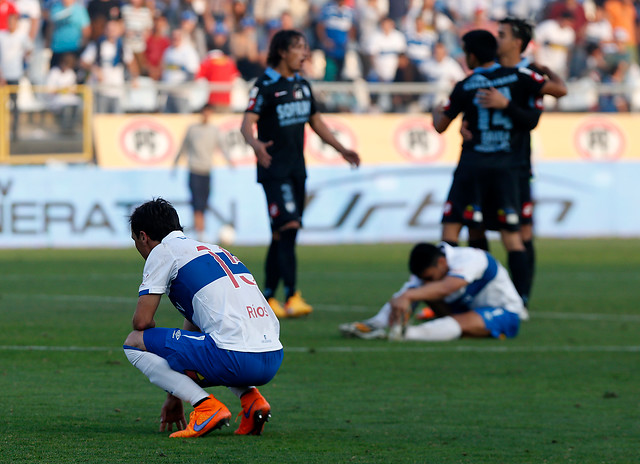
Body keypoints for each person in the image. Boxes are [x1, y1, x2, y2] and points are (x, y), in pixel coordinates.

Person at [123, 198, 283, 438]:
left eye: (135, 240)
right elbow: (195, 330)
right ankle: (252, 401)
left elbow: (142, 323)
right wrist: (175, 393)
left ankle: (205, 406)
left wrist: (179, 385)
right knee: (215, 338)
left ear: (143, 236)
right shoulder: (216, 249)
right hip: (272, 357)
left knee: (134, 342)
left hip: (235, 356)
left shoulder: (162, 252)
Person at [432, 29, 566, 303]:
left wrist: (436, 109)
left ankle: (452, 297)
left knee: (457, 230)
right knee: (512, 236)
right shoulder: (520, 77)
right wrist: (547, 72)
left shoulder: (465, 85)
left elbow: (439, 125)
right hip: (507, 167)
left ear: (471, 55)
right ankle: (518, 300)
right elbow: (558, 91)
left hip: (472, 166)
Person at [240, 29, 360, 318]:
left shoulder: (303, 85)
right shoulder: (265, 85)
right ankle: (291, 295)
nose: (305, 54)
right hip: (274, 170)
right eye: (299, 48)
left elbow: (316, 123)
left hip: (297, 170)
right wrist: (255, 144)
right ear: (282, 51)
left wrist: (342, 149)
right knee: (290, 227)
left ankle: (268, 297)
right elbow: (246, 124)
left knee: (282, 233)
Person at [339, 242, 528, 341]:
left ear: (441, 262)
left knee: (424, 292)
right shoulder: (432, 270)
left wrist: (409, 295)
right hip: (464, 309)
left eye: (430, 276)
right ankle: (376, 328)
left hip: (505, 311)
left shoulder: (470, 258)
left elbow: (448, 286)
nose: (427, 281)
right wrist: (378, 321)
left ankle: (405, 335)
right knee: (417, 290)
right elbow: (405, 294)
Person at [173, 104, 232, 242]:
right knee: (196, 203)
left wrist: (230, 161)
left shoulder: (214, 130)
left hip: (207, 170)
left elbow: (222, 146)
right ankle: (200, 233)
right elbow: (183, 147)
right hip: (194, 169)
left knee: (204, 202)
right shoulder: (193, 129)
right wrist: (175, 164)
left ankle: (201, 230)